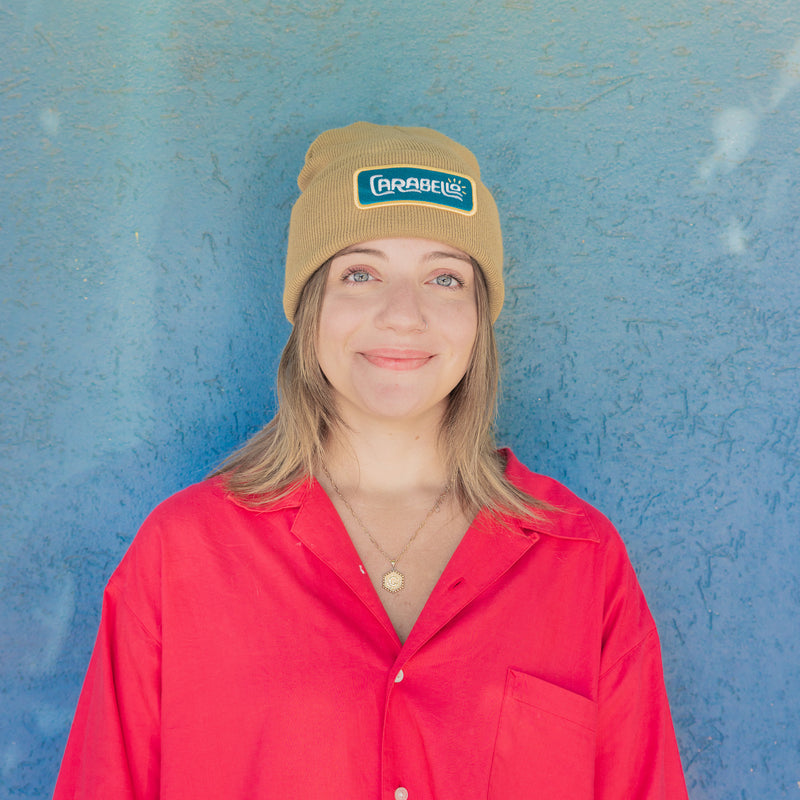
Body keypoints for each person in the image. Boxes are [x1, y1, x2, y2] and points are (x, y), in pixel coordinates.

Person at [54, 122, 689, 799]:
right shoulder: (181, 557)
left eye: (445, 277)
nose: (403, 313)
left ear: (480, 315)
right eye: (361, 273)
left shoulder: (580, 560)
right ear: (310, 307)